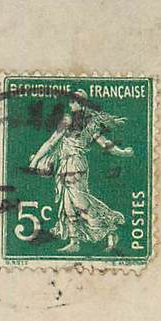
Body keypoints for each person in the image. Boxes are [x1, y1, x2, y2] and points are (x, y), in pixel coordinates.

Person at [28, 90, 133, 253]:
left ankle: (109, 230)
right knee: (68, 206)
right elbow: (51, 142)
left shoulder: (89, 124)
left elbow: (105, 144)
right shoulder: (67, 120)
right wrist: (35, 160)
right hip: (63, 166)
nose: (70, 104)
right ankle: (74, 241)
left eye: (73, 101)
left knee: (81, 204)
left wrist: (123, 152)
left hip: (77, 166)